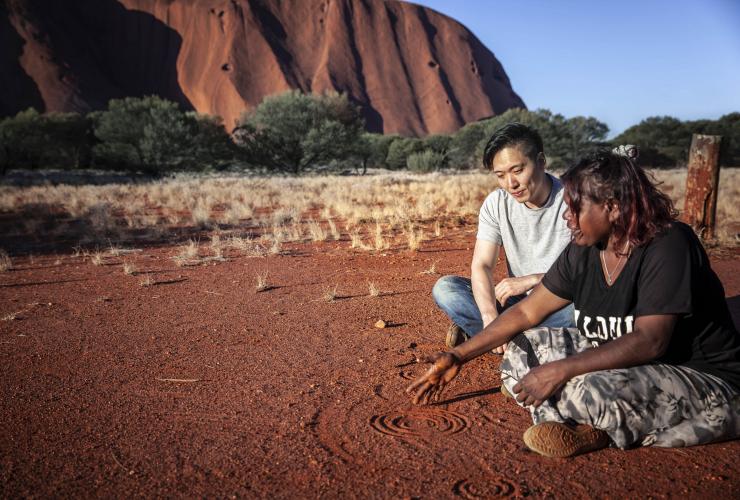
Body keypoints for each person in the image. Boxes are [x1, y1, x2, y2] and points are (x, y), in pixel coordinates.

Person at [408, 148, 740, 457]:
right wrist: (458, 356)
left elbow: (651, 341)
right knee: (520, 351)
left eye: (576, 207)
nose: (567, 217)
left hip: (699, 375)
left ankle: (594, 427)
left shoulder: (668, 243)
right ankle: (589, 420)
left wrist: (559, 371)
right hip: (629, 364)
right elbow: (527, 311)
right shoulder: (585, 249)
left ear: (612, 207)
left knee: (585, 388)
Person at [432, 123, 575, 353]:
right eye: (500, 175)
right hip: (517, 304)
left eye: (517, 171)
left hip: (559, 302)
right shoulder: (496, 203)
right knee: (446, 289)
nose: (511, 184)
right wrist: (489, 316)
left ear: (541, 161)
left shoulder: (573, 200)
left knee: (580, 311)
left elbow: (590, 275)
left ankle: (493, 337)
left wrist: (533, 279)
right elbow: (482, 265)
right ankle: (516, 337)